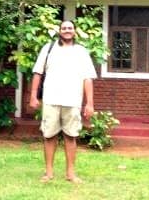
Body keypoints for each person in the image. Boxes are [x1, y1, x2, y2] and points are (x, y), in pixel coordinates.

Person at [28, 20, 96, 184]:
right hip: (51, 99)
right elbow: (38, 73)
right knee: (49, 136)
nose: (67, 30)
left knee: (71, 136)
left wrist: (90, 103)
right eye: (64, 28)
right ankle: (49, 172)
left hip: (73, 101)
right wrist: (33, 95)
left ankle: (70, 173)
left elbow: (88, 78)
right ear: (59, 31)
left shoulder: (81, 51)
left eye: (70, 28)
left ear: (74, 32)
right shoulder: (48, 48)